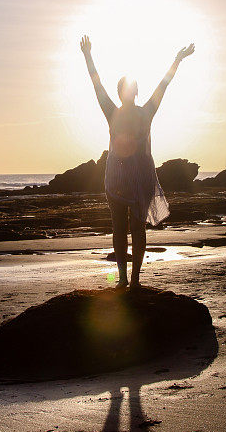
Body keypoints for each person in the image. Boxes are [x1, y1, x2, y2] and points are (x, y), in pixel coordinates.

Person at [80, 34, 195, 290]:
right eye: (126, 88)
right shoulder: (112, 111)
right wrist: (88, 56)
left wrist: (177, 60)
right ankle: (122, 278)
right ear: (121, 92)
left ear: (136, 92)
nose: (130, 92)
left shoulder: (146, 111)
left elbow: (164, 85)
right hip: (117, 178)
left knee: (138, 229)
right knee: (120, 228)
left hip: (141, 178)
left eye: (133, 89)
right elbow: (96, 85)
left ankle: (135, 279)